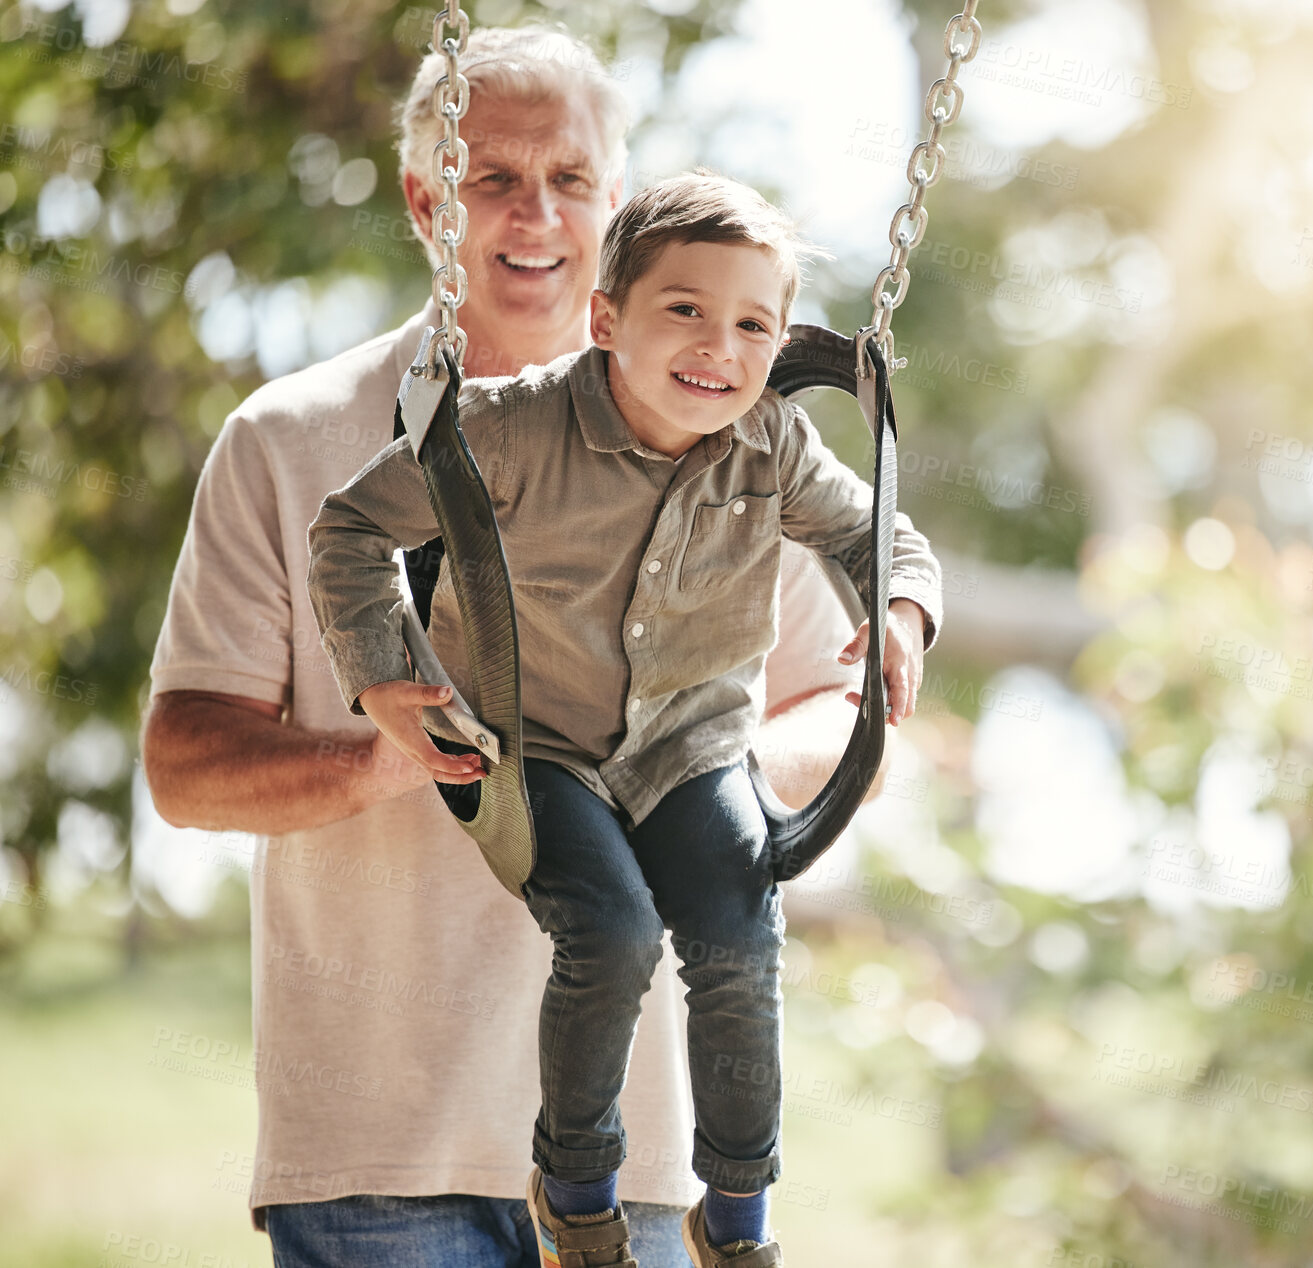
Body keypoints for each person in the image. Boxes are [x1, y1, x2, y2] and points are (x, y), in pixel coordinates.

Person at [140, 28, 881, 1268]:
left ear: (616, 204)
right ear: (428, 197)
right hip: (381, 1156)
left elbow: (830, 701)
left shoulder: (725, 436)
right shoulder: (287, 441)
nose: (536, 213)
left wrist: (689, 775)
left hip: (640, 1164)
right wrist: (415, 748)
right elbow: (185, 767)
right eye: (494, 178)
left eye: (573, 180)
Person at [305, 172, 943, 1268]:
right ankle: (576, 1185)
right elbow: (351, 530)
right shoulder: (504, 428)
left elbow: (885, 537)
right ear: (606, 320)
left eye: (753, 322)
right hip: (533, 743)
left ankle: (735, 1214)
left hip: (689, 744)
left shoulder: (772, 444)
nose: (719, 345)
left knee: (739, 941)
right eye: (684, 309)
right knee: (610, 932)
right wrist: (380, 678)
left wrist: (897, 610)